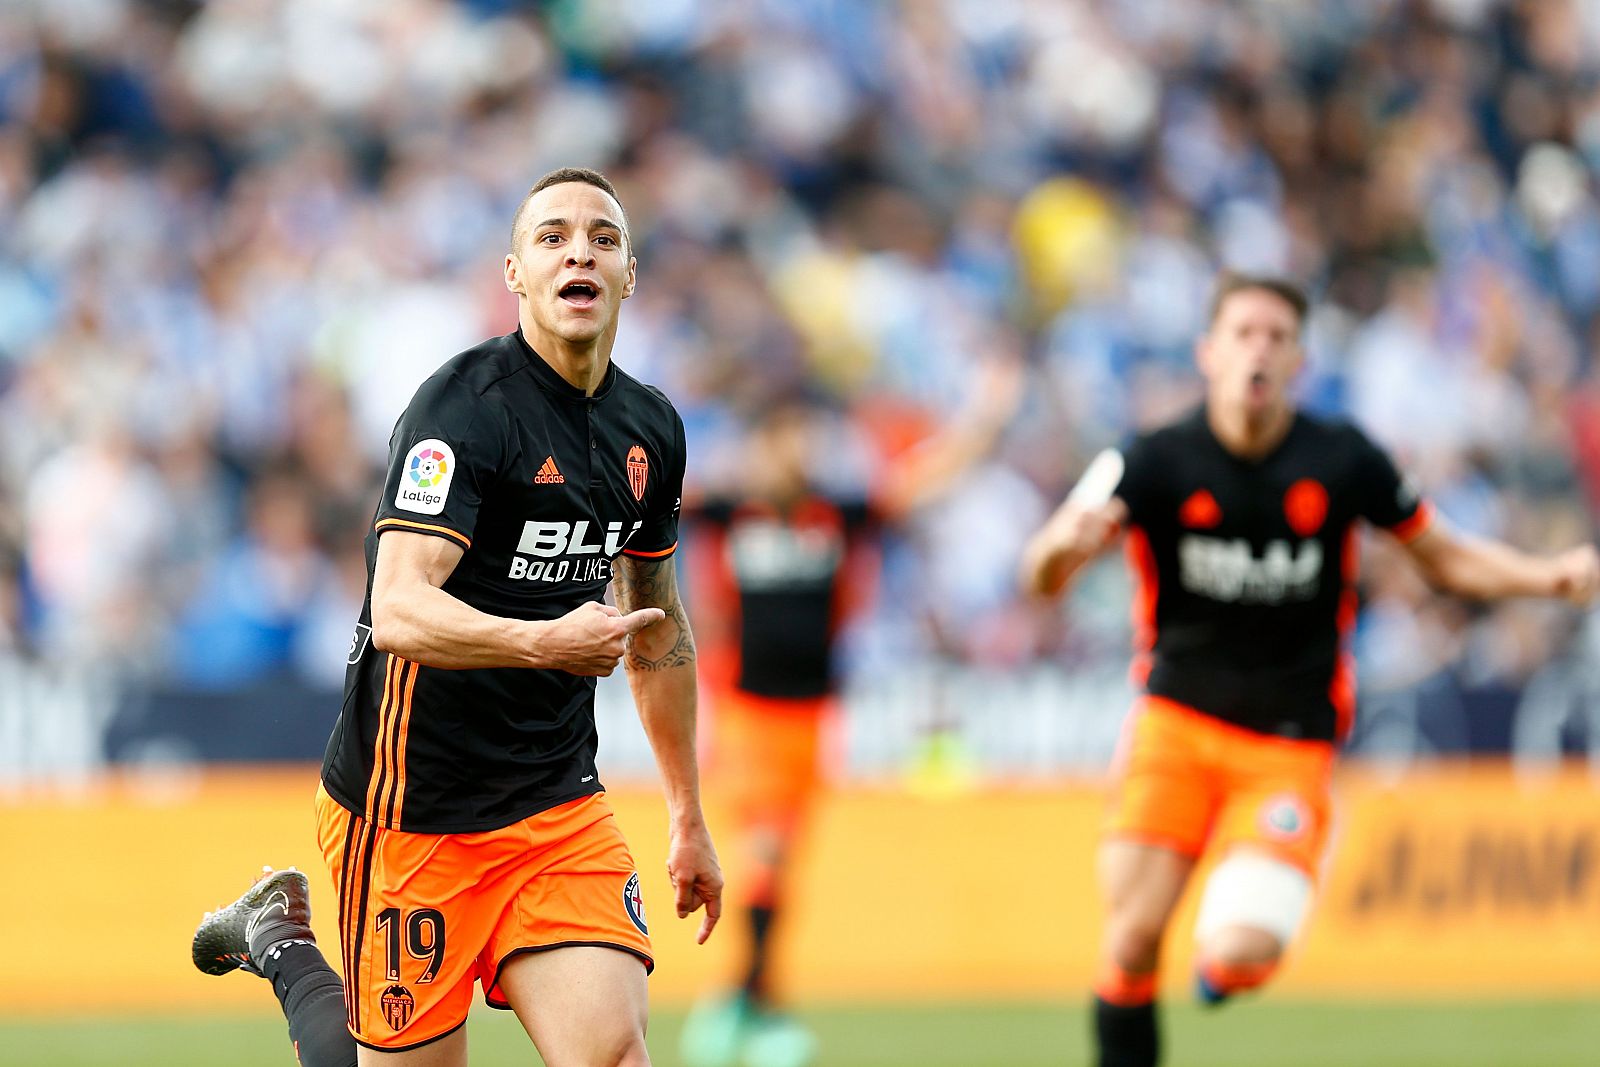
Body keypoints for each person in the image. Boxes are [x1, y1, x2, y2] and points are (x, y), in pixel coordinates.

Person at [192, 166, 723, 1067]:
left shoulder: (650, 432)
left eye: (601, 236)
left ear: (630, 272)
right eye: (550, 236)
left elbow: (656, 625)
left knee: (616, 1057)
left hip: (553, 805)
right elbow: (399, 609)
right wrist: (543, 642)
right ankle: (281, 942)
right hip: (410, 810)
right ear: (515, 272)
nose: (578, 250)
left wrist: (687, 812)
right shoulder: (462, 410)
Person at [1017, 273, 1600, 1067]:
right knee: (1129, 938)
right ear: (1208, 352)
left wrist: (1546, 577)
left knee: (1240, 951)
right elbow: (1041, 574)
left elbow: (1446, 555)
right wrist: (1062, 547)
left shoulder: (1343, 459)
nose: (1258, 349)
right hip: (1174, 725)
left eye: (1276, 335)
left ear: (1298, 358)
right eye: (1243, 332)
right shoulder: (1149, 459)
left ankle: (1236, 947)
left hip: (1286, 741)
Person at [678, 361, 1021, 1067]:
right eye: (784, 438)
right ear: (758, 444)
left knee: (782, 867)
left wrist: (984, 417)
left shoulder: (838, 513)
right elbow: (644, 490)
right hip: (747, 712)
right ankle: (750, 1006)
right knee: (767, 852)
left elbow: (924, 481)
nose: (798, 451)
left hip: (814, 717)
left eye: (806, 437)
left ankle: (748, 1001)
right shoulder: (727, 510)